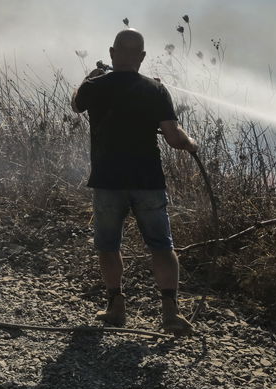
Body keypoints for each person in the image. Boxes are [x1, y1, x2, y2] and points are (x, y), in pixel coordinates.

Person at [71, 28, 196, 336]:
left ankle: (116, 306)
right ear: (141, 57)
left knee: (108, 246)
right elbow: (173, 137)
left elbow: (75, 104)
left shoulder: (95, 86)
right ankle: (170, 312)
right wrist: (191, 143)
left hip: (108, 180)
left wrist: (90, 77)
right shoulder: (156, 89)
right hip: (147, 181)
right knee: (161, 247)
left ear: (112, 53)